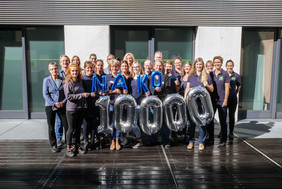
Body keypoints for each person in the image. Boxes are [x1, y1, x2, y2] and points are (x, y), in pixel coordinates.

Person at [184, 58, 214, 151]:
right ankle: (191, 141)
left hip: (202, 105)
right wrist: (185, 98)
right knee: (191, 123)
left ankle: (201, 142)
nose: (199, 66)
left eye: (200, 64)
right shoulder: (191, 76)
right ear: (194, 65)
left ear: (202, 65)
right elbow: (187, 88)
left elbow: (212, 89)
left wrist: (207, 85)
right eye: (197, 64)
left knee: (202, 123)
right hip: (192, 105)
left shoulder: (207, 76)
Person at [64, 64, 90, 157]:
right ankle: (69, 148)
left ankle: (78, 146)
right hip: (71, 109)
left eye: (76, 71)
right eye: (73, 71)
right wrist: (82, 95)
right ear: (70, 72)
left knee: (78, 129)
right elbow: (68, 96)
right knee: (70, 129)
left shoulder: (80, 81)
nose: (75, 72)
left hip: (80, 108)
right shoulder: (68, 82)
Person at [43, 62, 68, 153]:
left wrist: (63, 102)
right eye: (52, 69)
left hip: (61, 105)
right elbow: (45, 94)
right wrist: (54, 103)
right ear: (49, 70)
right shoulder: (46, 80)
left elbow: (67, 93)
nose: (54, 70)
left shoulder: (63, 79)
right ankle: (54, 144)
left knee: (66, 125)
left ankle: (68, 143)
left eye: (55, 69)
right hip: (50, 106)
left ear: (58, 69)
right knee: (51, 127)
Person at [149, 60, 171, 149]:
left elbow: (169, 89)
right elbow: (149, 90)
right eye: (157, 65)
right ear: (154, 67)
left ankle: (166, 141)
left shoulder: (165, 77)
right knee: (153, 122)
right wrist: (154, 90)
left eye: (160, 66)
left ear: (162, 67)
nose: (158, 67)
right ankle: (153, 140)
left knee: (164, 123)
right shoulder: (150, 77)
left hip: (163, 103)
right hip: (153, 104)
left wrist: (161, 89)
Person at [106, 59, 128, 151]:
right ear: (110, 68)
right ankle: (112, 140)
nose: (114, 68)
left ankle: (117, 140)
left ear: (118, 68)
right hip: (111, 103)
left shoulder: (121, 77)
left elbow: (125, 89)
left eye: (116, 66)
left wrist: (125, 92)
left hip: (120, 103)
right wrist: (114, 91)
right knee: (111, 123)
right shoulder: (107, 77)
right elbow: (105, 91)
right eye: (113, 66)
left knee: (118, 122)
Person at [130, 61, 150, 148]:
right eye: (134, 67)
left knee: (135, 123)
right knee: (132, 123)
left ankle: (140, 139)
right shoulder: (130, 79)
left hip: (140, 104)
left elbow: (146, 90)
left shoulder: (144, 78)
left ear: (140, 68)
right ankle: (136, 139)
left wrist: (147, 94)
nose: (136, 69)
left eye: (137, 67)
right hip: (132, 104)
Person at [212, 56, 230, 147]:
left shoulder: (225, 74)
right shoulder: (211, 74)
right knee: (210, 120)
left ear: (221, 63)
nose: (217, 64)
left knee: (222, 121)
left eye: (218, 62)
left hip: (222, 100)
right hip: (213, 100)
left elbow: (227, 89)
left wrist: (226, 100)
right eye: (215, 62)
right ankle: (210, 138)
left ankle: (223, 140)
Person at [81, 61, 97, 153]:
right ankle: (86, 141)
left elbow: (99, 89)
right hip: (85, 103)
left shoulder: (95, 78)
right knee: (86, 123)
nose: (90, 69)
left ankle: (92, 141)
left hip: (94, 103)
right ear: (85, 68)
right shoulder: (82, 78)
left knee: (94, 123)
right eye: (88, 68)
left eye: (91, 68)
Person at [56, 55, 70, 147]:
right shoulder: (57, 74)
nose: (65, 62)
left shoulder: (71, 72)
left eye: (66, 60)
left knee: (68, 121)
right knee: (59, 121)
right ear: (60, 63)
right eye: (63, 61)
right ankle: (59, 139)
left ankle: (69, 138)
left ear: (68, 62)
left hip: (70, 101)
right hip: (60, 101)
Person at [226, 59, 241, 142]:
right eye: (228, 66)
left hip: (233, 99)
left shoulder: (236, 76)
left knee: (231, 116)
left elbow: (239, 86)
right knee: (223, 116)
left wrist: (235, 93)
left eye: (231, 65)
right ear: (226, 66)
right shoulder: (223, 75)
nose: (229, 67)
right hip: (224, 99)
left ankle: (231, 132)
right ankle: (223, 131)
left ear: (233, 66)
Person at [205, 60, 217, 145]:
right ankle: (207, 136)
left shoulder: (214, 75)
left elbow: (212, 89)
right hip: (206, 100)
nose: (209, 67)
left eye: (211, 66)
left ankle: (211, 138)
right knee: (206, 119)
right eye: (208, 66)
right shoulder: (205, 75)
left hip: (213, 99)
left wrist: (207, 85)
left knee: (211, 119)